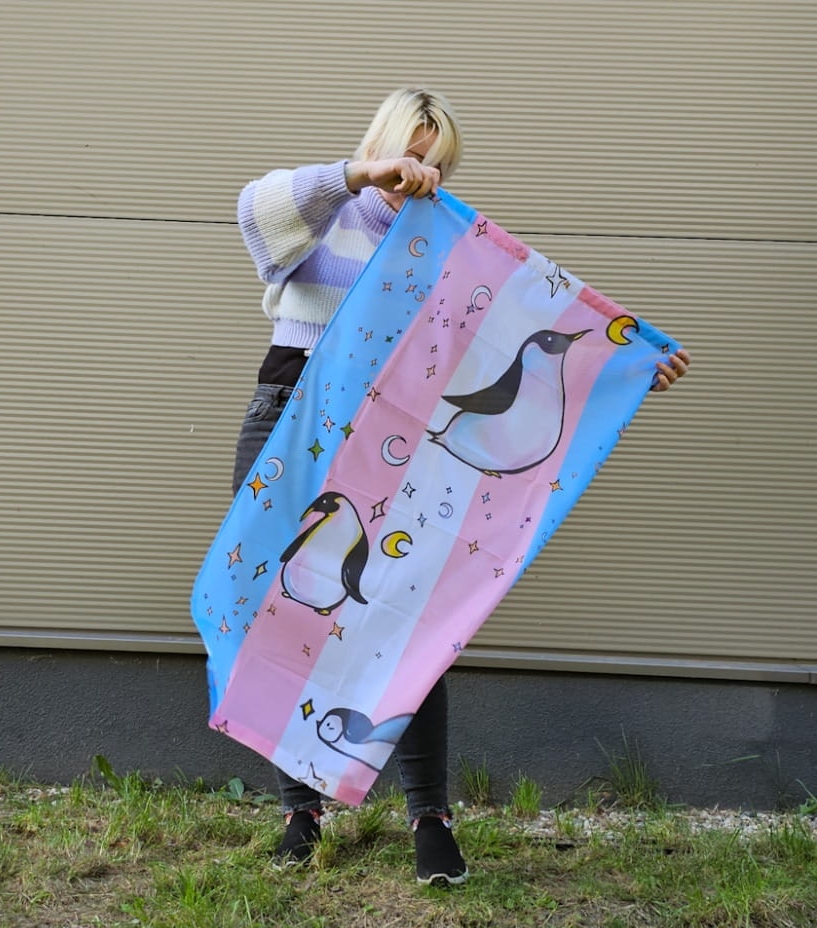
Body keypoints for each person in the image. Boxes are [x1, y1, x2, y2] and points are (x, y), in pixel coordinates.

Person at [231, 87, 690, 885]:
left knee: (403, 618)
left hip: (387, 441)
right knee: (283, 612)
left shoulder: (449, 246)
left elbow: (519, 343)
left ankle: (428, 814)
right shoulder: (323, 215)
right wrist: (361, 175)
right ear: (380, 145)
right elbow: (253, 208)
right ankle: (299, 811)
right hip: (290, 420)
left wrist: (625, 367)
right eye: (412, 155)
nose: (423, 175)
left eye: (438, 163)